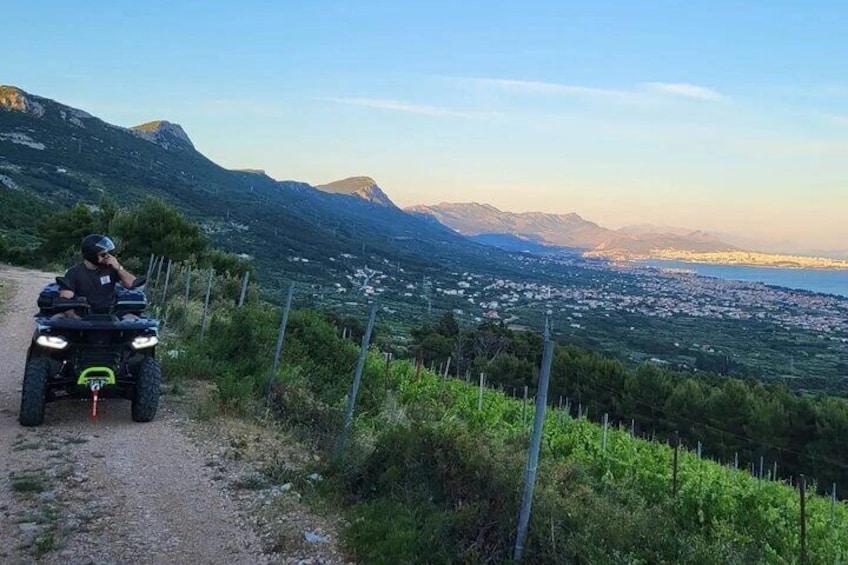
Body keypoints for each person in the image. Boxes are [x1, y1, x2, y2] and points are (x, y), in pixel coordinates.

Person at [55, 234, 137, 317]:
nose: (107, 257)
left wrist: (119, 268)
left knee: (133, 319)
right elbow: (65, 301)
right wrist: (74, 318)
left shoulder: (111, 268)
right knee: (57, 318)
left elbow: (132, 284)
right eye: (103, 255)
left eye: (108, 254)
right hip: (83, 314)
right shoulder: (73, 273)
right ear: (91, 255)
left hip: (110, 314)